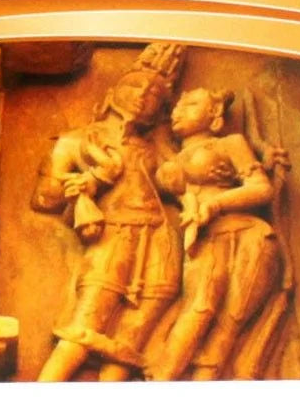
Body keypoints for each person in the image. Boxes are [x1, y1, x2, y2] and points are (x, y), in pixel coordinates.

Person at [30, 42, 185, 381]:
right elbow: (44, 198)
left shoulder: (156, 148)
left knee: (132, 336)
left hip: (160, 242)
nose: (142, 95)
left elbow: (181, 185)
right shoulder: (76, 141)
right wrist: (84, 182)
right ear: (113, 93)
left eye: (154, 94)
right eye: (135, 85)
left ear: (162, 110)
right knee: (84, 325)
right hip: (110, 238)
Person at [149, 87, 287, 381]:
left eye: (191, 104)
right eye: (177, 106)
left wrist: (215, 204)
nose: (179, 110)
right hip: (201, 238)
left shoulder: (229, 143)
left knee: (229, 321)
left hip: (246, 234)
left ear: (214, 115)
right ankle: (162, 377)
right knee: (199, 307)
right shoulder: (169, 156)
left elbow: (261, 188)